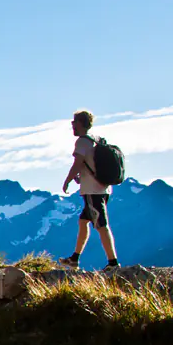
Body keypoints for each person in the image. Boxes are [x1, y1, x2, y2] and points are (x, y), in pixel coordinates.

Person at [60, 110, 118, 270]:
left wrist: (68, 180)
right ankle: (74, 258)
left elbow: (77, 163)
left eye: (74, 122)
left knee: (101, 225)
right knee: (83, 221)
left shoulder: (82, 142)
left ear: (80, 123)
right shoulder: (96, 140)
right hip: (103, 188)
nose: (72, 125)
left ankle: (113, 263)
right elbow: (90, 164)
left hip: (93, 192)